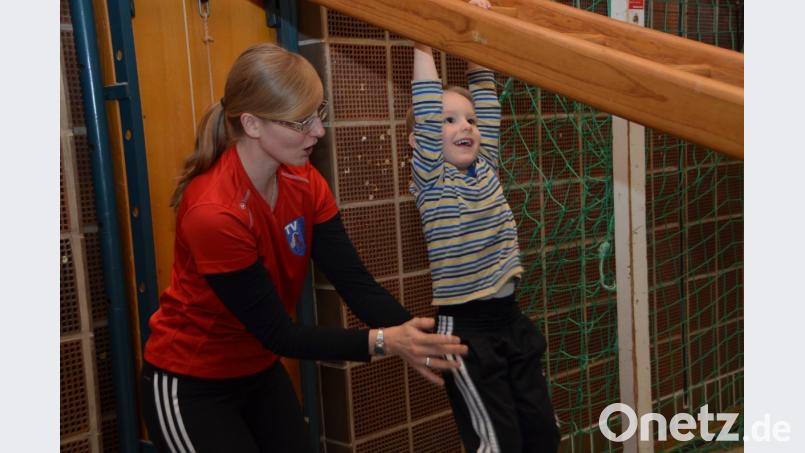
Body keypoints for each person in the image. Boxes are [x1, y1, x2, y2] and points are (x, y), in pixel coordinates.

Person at [140, 42, 468, 453]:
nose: (318, 131)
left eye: (319, 113)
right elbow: (281, 333)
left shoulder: (304, 180)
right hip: (192, 382)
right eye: (300, 122)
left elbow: (354, 282)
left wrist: (421, 340)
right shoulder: (215, 211)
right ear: (253, 124)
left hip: (257, 369)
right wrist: (386, 341)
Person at [406, 1, 561, 451]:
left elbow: (486, 92)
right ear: (422, 142)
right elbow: (426, 98)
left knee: (542, 434)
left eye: (470, 119)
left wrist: (478, 27)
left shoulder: (486, 166)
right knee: (498, 444)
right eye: (448, 119)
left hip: (509, 317)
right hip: (466, 329)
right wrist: (423, 33)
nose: (465, 126)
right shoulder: (431, 179)